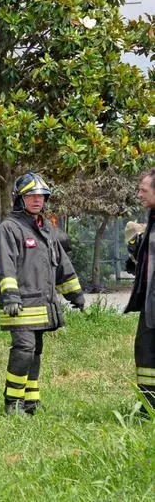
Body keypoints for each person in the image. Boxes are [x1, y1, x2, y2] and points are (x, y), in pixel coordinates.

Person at [0, 172, 87, 416]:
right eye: (31, 196)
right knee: (24, 349)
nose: (37, 200)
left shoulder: (46, 229)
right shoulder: (9, 228)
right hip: (20, 304)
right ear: (19, 199)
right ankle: (12, 403)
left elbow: (62, 265)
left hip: (42, 305)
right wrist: (11, 297)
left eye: (41, 196)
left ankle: (31, 402)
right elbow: (5, 264)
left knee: (35, 351)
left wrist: (75, 294)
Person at [124, 167, 155, 412]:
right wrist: (136, 252)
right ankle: (148, 406)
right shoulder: (151, 220)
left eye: (143, 190)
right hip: (150, 304)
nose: (139, 195)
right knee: (145, 353)